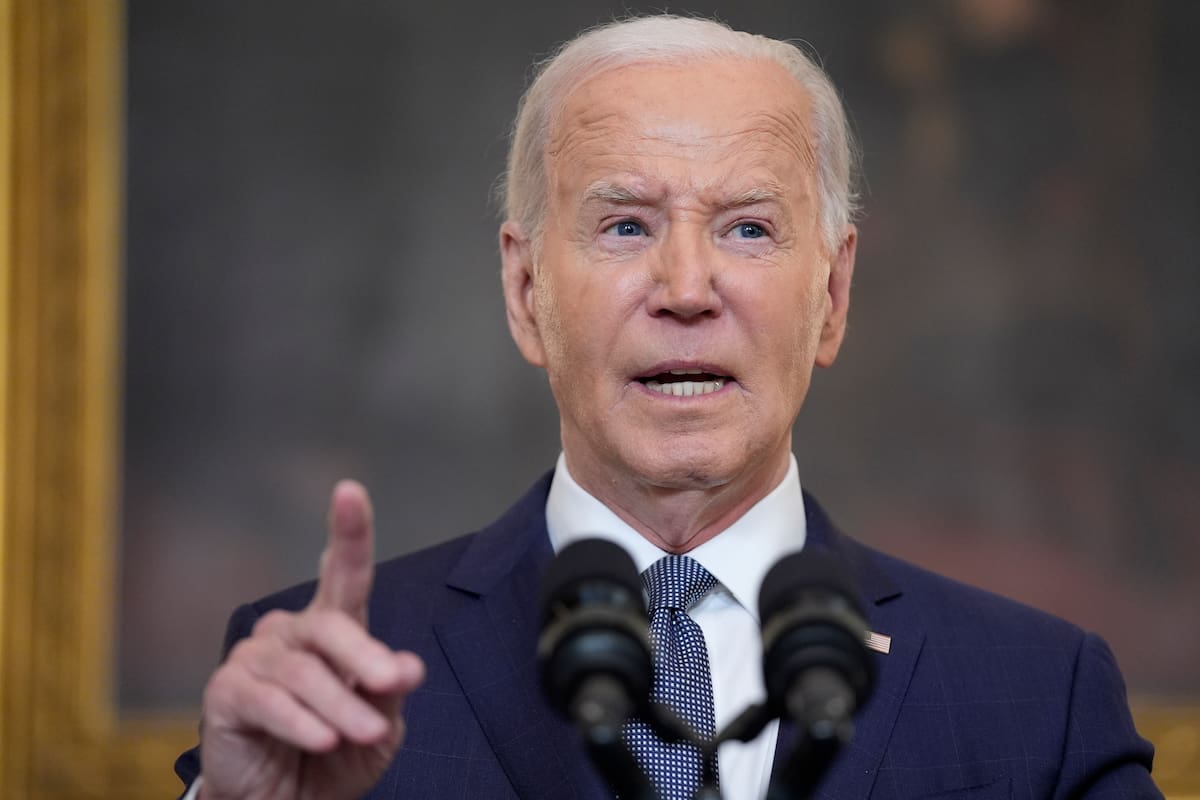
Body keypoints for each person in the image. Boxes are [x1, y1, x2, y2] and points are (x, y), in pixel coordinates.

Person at [175, 15, 1160, 800]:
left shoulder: (1039, 692)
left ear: (833, 293)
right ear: (527, 292)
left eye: (746, 227)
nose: (686, 285)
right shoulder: (328, 686)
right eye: (625, 224)